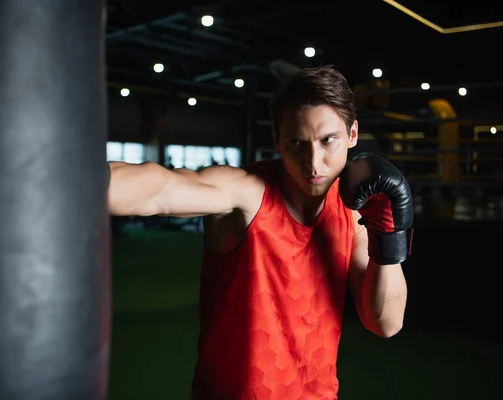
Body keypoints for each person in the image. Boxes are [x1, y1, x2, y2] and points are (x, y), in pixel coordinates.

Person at [108, 65, 413, 400]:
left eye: (328, 141)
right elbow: (161, 190)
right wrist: (60, 172)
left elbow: (385, 322)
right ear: (276, 139)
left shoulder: (353, 212)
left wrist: (388, 233)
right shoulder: (247, 194)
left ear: (352, 134)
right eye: (297, 143)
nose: (314, 162)